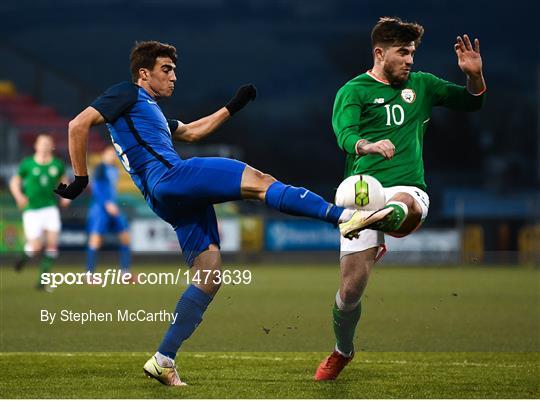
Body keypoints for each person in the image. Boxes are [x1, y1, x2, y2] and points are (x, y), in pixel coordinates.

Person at [54, 40, 382, 386]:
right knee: (260, 181)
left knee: (209, 275)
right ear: (143, 73)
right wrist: (80, 178)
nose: (174, 77)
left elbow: (193, 131)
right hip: (172, 177)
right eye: (166, 70)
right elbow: (78, 124)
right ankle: (345, 217)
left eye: (175, 70)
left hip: (165, 197)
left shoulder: (148, 111)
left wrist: (233, 106)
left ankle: (163, 359)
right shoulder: (127, 94)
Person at [314, 17, 486, 381]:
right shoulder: (353, 91)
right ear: (380, 53)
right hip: (363, 190)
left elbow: (472, 103)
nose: (410, 60)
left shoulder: (422, 86)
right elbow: (344, 133)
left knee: (405, 203)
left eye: (413, 53)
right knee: (350, 289)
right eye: (403, 52)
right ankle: (342, 350)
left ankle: (387, 220)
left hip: (408, 187)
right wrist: (367, 145)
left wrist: (474, 75)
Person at [9, 134, 70, 290]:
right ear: (36, 146)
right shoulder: (28, 164)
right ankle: (23, 258)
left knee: (52, 244)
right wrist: (19, 196)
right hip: (32, 210)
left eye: (47, 143)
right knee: (36, 246)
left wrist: (66, 196)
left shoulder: (57, 164)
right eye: (42, 143)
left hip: (50, 208)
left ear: (52, 146)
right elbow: (14, 181)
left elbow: (64, 180)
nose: (44, 146)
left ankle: (42, 282)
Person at [86, 146, 131, 275]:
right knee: (96, 240)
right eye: (109, 154)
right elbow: (96, 188)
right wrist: (106, 203)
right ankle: (89, 274)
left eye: (114, 154)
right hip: (100, 208)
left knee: (125, 237)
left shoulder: (115, 169)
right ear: (103, 155)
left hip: (113, 207)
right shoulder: (100, 168)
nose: (112, 156)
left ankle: (125, 272)